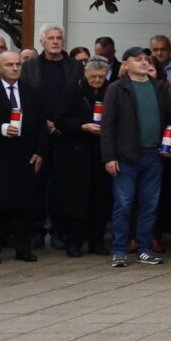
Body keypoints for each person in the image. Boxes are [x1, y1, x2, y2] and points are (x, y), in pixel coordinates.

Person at [0, 49, 46, 263]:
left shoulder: (32, 92)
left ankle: (23, 248)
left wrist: (40, 152)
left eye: (18, 64)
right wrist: (0, 128)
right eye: (10, 65)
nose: (14, 68)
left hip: (25, 156)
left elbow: (42, 125)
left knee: (24, 205)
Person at [98, 48, 171, 267]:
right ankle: (119, 250)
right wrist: (109, 157)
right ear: (126, 64)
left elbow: (170, 119)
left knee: (149, 205)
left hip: (154, 156)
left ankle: (144, 249)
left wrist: (169, 142)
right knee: (124, 204)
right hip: (126, 158)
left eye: (145, 59)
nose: (143, 63)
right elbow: (107, 126)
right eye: (137, 60)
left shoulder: (158, 87)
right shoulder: (117, 89)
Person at [48, 59, 110, 256]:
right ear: (86, 73)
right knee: (75, 200)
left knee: (100, 199)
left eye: (101, 77)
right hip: (75, 152)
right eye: (93, 76)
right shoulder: (72, 89)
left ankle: (97, 241)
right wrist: (82, 126)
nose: (97, 80)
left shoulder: (111, 90)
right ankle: (73, 242)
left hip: (101, 151)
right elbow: (60, 120)